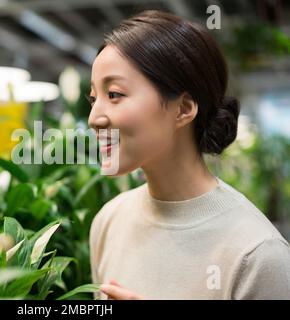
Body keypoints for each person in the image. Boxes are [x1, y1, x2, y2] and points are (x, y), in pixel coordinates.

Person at [87, 10, 290, 300]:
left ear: (183, 109)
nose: (94, 118)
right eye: (94, 99)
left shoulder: (258, 254)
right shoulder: (108, 222)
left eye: (115, 94)